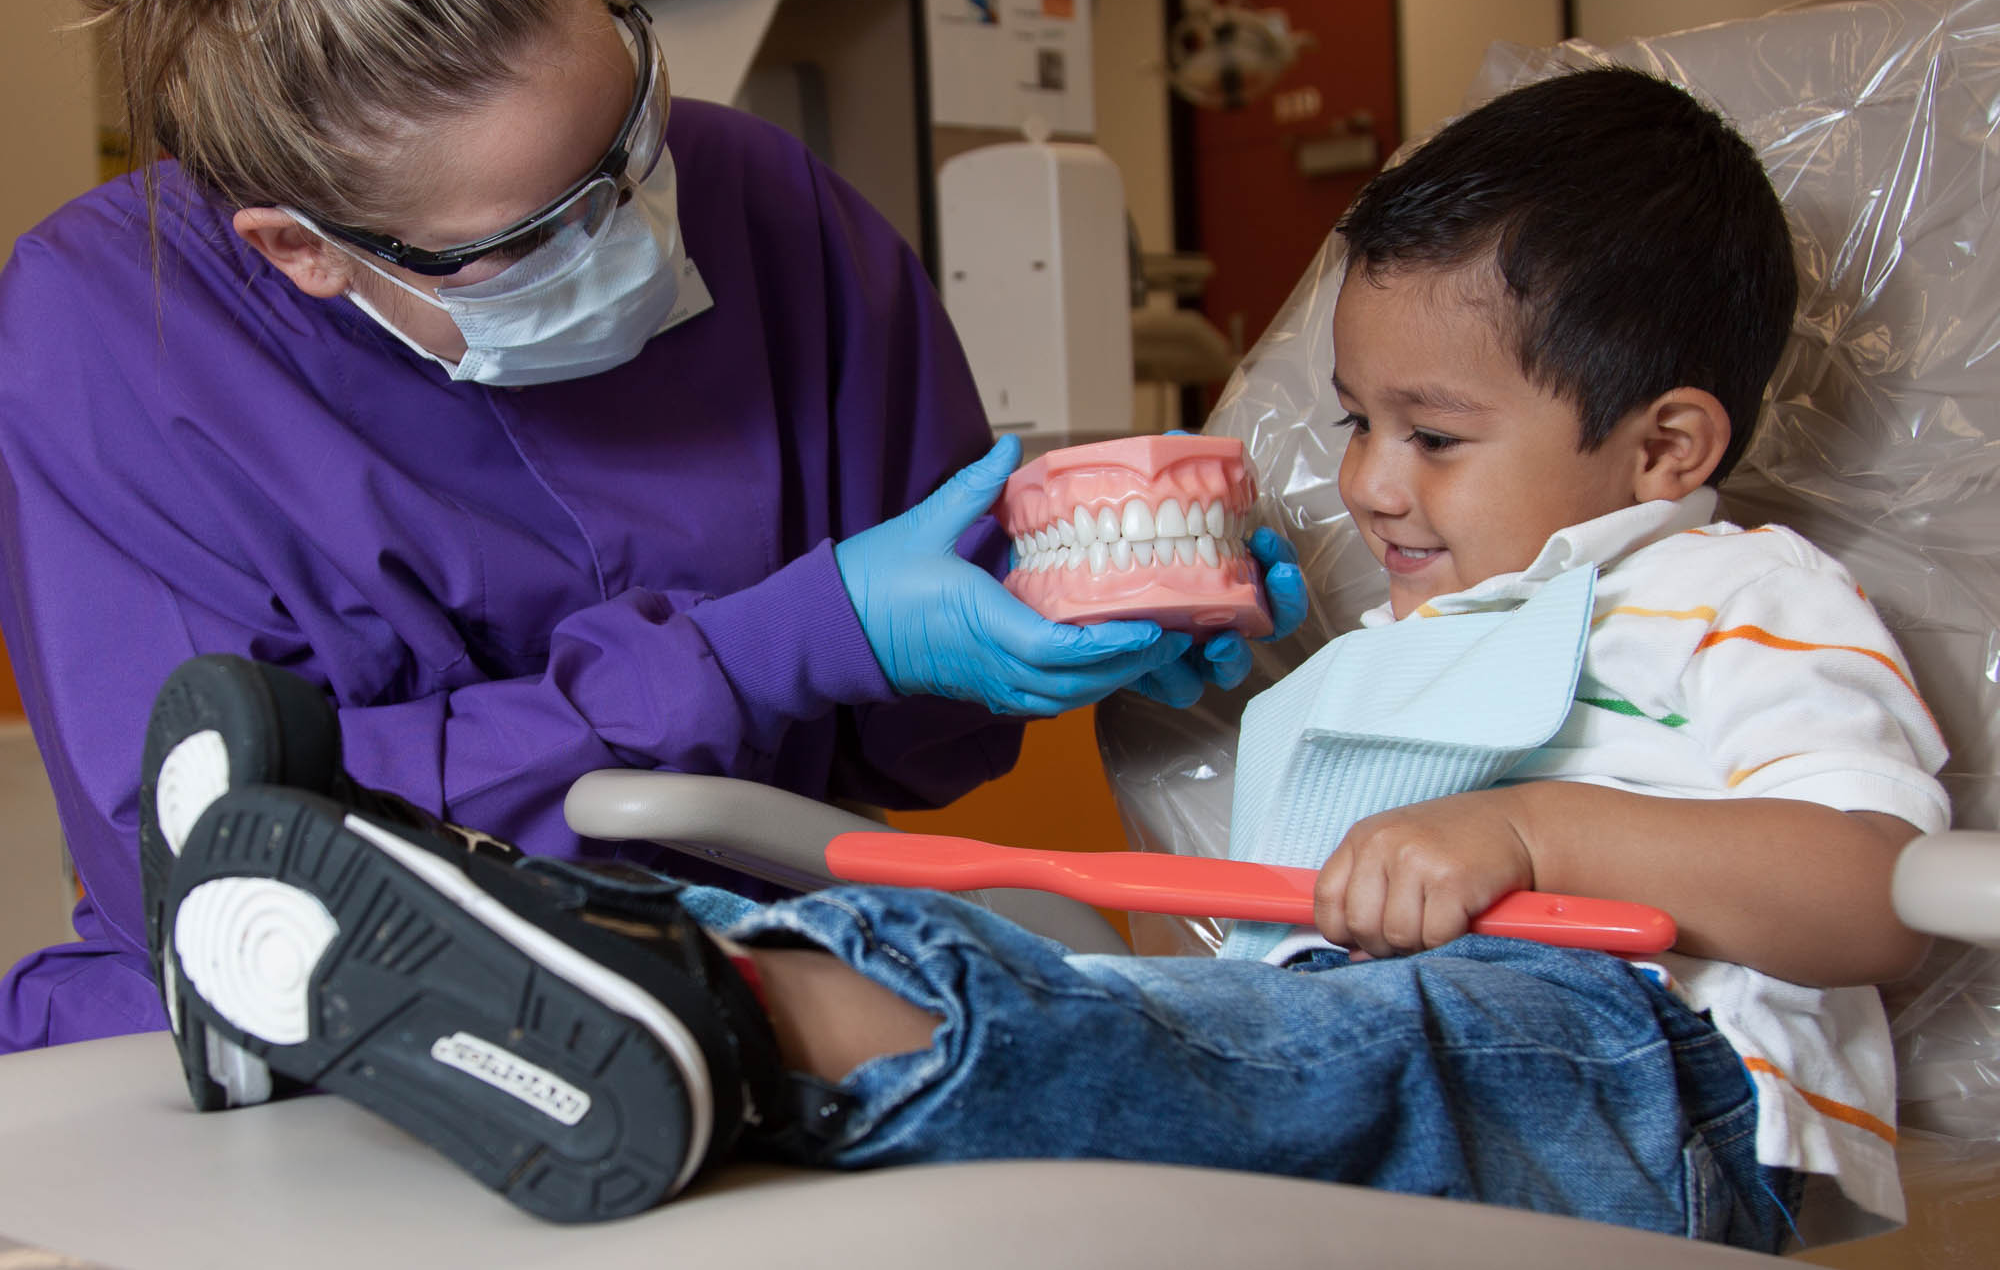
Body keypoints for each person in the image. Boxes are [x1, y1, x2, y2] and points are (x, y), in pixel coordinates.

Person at [145, 65, 1947, 1249]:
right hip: (1370, 1031)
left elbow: (1871, 893)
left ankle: (719, 1031)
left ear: (1667, 448)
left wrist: (1542, 838)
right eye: (1357, 420)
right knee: (1073, 986)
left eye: (1436, 434)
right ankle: (552, 969)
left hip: (1653, 1094)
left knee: (1175, 1043)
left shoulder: (1737, 597)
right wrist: (1207, 658)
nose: (1373, 481)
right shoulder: (1429, 615)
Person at [0, 0, 1302, 1055]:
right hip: (309, 1023)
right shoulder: (115, 330)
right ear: (303, 249)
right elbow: (221, 840)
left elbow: (905, 749)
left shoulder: (765, 200)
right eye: (528, 235)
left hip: (762, 984)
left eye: (632, 130)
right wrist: (767, 651)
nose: (634, 225)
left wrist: (1064, 616)